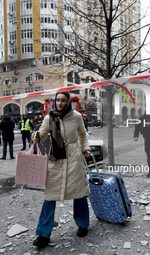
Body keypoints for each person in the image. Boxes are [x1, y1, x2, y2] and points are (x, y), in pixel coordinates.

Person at [32, 91, 91, 248]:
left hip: (74, 158)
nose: (59, 103)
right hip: (56, 160)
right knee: (50, 196)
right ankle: (43, 234)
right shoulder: (49, 117)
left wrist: (86, 149)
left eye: (63, 100)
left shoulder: (77, 116)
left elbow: (82, 135)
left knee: (79, 193)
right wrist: (36, 136)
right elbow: (42, 135)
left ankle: (83, 224)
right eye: (57, 100)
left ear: (68, 102)